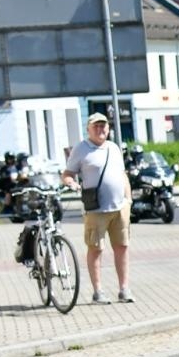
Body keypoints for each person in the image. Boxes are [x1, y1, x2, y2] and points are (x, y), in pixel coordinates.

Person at [63, 112, 134, 304]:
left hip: (119, 208)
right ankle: (98, 291)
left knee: (122, 247)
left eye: (103, 126)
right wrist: (72, 184)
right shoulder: (81, 149)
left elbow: (122, 174)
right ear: (88, 129)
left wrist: (128, 199)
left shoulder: (113, 148)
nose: (100, 129)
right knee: (95, 249)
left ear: (108, 128)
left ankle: (124, 289)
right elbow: (68, 173)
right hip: (96, 209)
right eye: (96, 126)